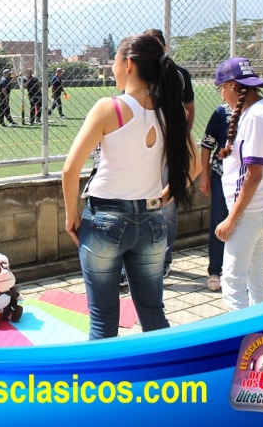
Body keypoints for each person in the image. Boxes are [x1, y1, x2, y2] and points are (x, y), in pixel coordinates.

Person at [62, 34, 198, 339]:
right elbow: (195, 165)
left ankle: (101, 386)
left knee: (103, 322)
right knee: (153, 314)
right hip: (151, 220)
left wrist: (71, 214)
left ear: (129, 64)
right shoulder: (170, 110)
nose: (112, 68)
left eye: (114, 61)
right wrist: (165, 197)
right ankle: (167, 382)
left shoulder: (109, 107)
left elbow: (70, 169)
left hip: (104, 220)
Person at [213, 58, 263, 311]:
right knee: (254, 275)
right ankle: (260, 333)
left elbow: (253, 174)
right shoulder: (259, 111)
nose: (221, 95)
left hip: (251, 211)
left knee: (232, 279)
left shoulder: (256, 116)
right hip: (257, 209)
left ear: (231, 86)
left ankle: (239, 341)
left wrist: (232, 218)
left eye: (221, 88)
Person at [142, 29, 195, 278]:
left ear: (164, 48)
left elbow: (189, 108)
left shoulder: (178, 74)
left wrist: (182, 138)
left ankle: (164, 259)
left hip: (168, 152)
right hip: (142, 151)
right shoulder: (139, 73)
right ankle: (131, 266)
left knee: (167, 210)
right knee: (137, 208)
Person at [199, 103, 232, 292]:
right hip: (221, 177)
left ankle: (250, 270)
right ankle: (215, 271)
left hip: (250, 179)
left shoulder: (258, 108)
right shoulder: (221, 111)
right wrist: (205, 174)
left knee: (249, 225)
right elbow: (206, 145)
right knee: (219, 221)